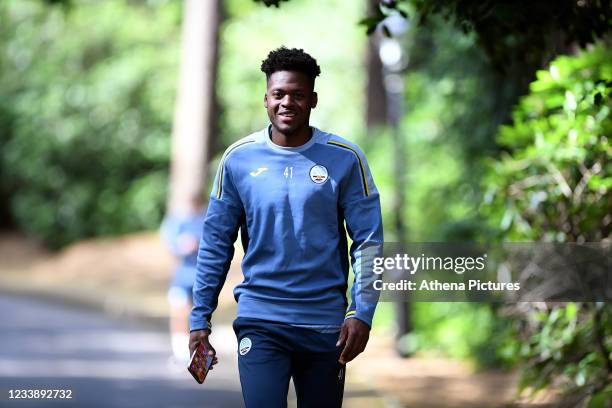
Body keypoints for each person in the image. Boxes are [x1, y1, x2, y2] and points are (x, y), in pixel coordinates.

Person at [189, 46, 383, 408]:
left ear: (313, 99)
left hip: (326, 327)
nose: (287, 102)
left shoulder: (345, 158)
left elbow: (369, 243)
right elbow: (216, 243)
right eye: (278, 94)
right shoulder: (238, 159)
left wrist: (362, 313)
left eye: (297, 94)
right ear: (265, 99)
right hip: (261, 321)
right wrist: (200, 317)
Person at [160, 195, 204, 362]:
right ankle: (180, 353)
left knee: (200, 318)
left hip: (201, 279)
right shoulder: (176, 221)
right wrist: (182, 245)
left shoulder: (204, 221)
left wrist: (197, 244)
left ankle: (199, 357)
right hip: (181, 278)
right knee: (179, 313)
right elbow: (170, 244)